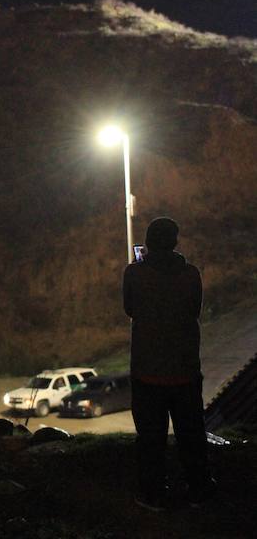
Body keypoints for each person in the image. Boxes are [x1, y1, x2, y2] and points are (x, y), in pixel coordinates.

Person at [123, 217, 215, 511]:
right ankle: (198, 489)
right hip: (184, 369)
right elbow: (194, 311)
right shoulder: (191, 274)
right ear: (175, 242)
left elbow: (129, 309)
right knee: (191, 433)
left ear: (148, 244)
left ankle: (153, 493)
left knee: (150, 437)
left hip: (147, 370)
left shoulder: (134, 274)